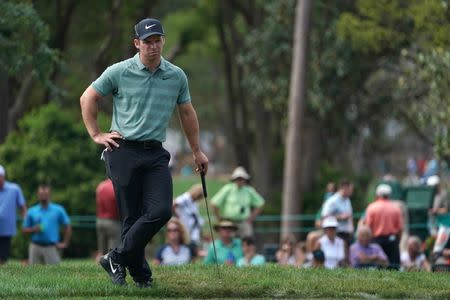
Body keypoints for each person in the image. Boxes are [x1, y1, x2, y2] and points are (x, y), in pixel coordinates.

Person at [80, 17, 208, 287]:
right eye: (147, 41)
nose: (153, 46)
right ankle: (141, 277)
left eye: (157, 40)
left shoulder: (176, 75)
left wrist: (197, 151)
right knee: (132, 218)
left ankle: (115, 257)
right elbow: (88, 97)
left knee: (161, 210)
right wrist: (96, 134)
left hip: (155, 153)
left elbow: (187, 112)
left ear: (163, 41)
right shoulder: (119, 71)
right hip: (123, 149)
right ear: (136, 43)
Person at [22, 184, 72, 265]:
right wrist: (33, 229)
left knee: (55, 273)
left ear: (50, 194)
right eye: (41, 194)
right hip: (35, 246)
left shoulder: (58, 210)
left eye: (45, 194)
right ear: (38, 195)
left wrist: (65, 243)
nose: (43, 196)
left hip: (51, 247)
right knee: (33, 274)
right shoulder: (32, 211)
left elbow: (67, 225)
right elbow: (24, 229)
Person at [210, 166, 265, 237]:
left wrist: (252, 217)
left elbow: (260, 203)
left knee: (247, 241)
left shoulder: (249, 190)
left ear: (245, 179)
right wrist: (219, 218)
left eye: (242, 178)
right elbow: (214, 203)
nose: (240, 181)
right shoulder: (228, 189)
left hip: (244, 222)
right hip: (230, 223)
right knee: (230, 243)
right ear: (234, 179)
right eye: (238, 178)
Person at [364, 184, 403, 270]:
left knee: (377, 268)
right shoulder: (396, 208)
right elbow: (400, 228)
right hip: (392, 240)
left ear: (377, 194)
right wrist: (398, 240)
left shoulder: (371, 207)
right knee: (394, 267)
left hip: (376, 240)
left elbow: (368, 227)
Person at [0, 165, 27, 265]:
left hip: (7, 229)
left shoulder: (14, 189)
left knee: (3, 256)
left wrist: (26, 222)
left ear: (3, 176)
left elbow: (22, 206)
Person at [321, 179, 354, 247]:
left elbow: (350, 216)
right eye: (350, 189)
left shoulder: (347, 200)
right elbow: (324, 216)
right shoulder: (332, 201)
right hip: (337, 234)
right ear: (344, 188)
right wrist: (340, 217)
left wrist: (351, 229)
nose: (351, 192)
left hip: (347, 234)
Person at [95, 178, 121, 262]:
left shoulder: (101, 186)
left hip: (100, 220)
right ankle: (112, 266)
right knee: (113, 250)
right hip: (113, 221)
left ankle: (98, 266)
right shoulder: (117, 186)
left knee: (101, 251)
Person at [173, 184, 204, 251]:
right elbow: (173, 204)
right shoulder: (185, 198)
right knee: (186, 244)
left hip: (192, 227)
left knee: (193, 244)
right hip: (184, 224)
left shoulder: (194, 201)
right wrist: (177, 216)